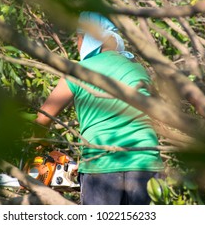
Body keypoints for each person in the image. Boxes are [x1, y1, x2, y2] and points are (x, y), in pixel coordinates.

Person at [35, 11, 164, 205]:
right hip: (145, 164)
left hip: (101, 167)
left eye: (78, 38)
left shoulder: (78, 71)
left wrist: (39, 152)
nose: (77, 44)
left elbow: (44, 117)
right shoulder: (138, 69)